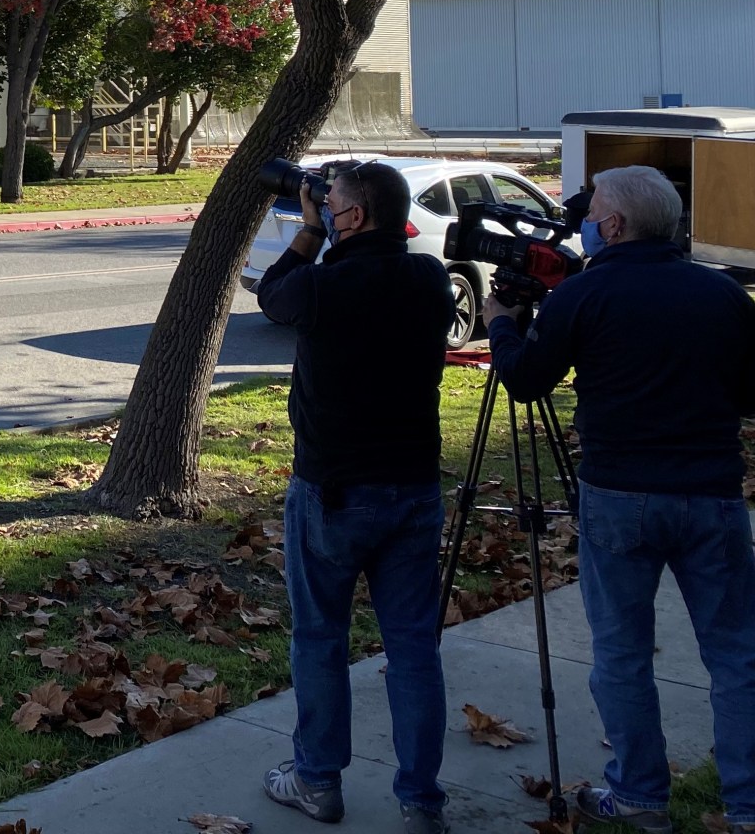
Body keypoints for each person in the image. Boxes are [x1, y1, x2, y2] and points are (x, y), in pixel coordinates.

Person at [486, 164, 755, 834]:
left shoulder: (584, 296)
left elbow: (523, 382)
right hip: (711, 494)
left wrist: (501, 323)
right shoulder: (722, 295)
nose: (583, 222)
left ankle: (638, 795)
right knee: (736, 655)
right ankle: (749, 803)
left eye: (592, 211)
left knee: (622, 654)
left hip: (619, 496)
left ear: (613, 225)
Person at [255, 160, 453, 833]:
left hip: (332, 492)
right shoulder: (430, 280)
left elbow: (273, 293)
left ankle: (316, 782)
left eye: (332, 202)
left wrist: (308, 232)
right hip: (414, 491)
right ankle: (422, 800)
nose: (324, 206)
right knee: (414, 649)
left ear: (355, 217)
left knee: (319, 638)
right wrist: (327, 219)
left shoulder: (324, 286)